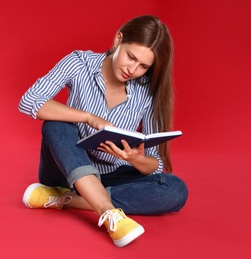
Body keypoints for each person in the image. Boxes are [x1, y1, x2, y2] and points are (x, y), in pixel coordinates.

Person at [18, 15, 188, 248]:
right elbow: (29, 101)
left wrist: (136, 159)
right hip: (65, 169)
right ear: (119, 40)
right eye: (131, 57)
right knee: (55, 123)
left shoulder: (146, 91)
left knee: (175, 189)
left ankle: (63, 200)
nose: (133, 69)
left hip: (111, 173)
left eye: (144, 66)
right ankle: (108, 212)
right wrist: (88, 117)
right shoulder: (79, 63)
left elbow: (156, 163)